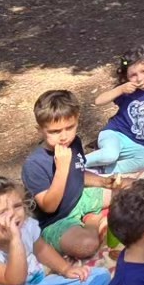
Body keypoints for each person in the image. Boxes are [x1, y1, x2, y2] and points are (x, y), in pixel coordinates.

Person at [22, 90, 111, 260]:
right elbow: (49, 206)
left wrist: (104, 181)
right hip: (57, 220)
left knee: (132, 187)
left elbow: (78, 173)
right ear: (40, 130)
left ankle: (89, 213)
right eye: (55, 131)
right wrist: (61, 168)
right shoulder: (34, 165)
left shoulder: (74, 142)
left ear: (77, 120)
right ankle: (92, 221)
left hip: (79, 198)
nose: (64, 137)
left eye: (70, 128)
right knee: (87, 245)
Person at [85, 48, 144, 175]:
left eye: (143, 71)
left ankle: (102, 170)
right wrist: (120, 89)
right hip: (115, 134)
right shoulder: (127, 90)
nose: (139, 78)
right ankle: (77, 164)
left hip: (137, 145)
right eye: (133, 75)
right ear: (126, 77)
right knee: (110, 155)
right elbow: (98, 101)